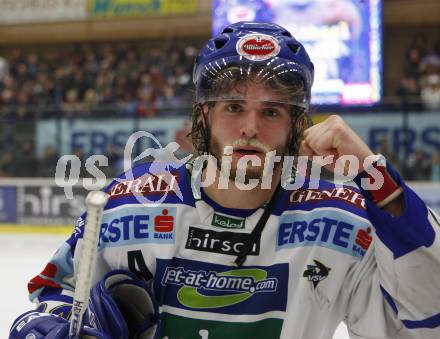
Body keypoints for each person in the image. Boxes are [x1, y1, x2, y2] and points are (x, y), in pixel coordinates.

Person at [9, 22, 440, 339]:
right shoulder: (130, 202)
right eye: (233, 107)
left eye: (271, 111)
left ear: (296, 124)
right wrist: (49, 325)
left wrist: (380, 183)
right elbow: (57, 289)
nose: (250, 127)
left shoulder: (344, 222)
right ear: (203, 117)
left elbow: (423, 323)